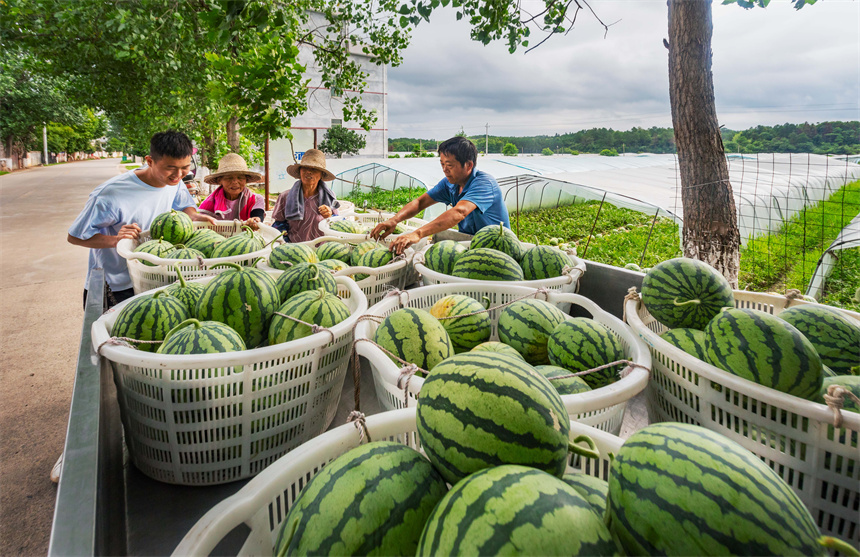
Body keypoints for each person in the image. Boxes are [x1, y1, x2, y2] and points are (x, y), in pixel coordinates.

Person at [67, 130, 216, 312]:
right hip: (117, 286)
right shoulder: (109, 194)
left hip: (154, 279)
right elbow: (75, 236)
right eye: (170, 167)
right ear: (150, 161)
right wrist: (116, 240)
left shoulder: (174, 183)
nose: (179, 175)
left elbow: (185, 205)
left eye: (185, 167)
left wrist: (194, 215)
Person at [371, 136, 510, 254]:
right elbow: (420, 203)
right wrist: (394, 220)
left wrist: (417, 234)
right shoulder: (450, 183)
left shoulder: (484, 183)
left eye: (449, 165)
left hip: (498, 249)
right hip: (471, 243)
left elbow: (459, 212)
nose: (444, 170)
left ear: (468, 165)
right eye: (442, 164)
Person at [271, 148, 340, 242]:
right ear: (300, 171)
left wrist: (329, 216)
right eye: (305, 168)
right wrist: (285, 240)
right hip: (294, 248)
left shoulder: (329, 197)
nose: (309, 172)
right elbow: (278, 225)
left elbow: (338, 224)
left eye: (314, 169)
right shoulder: (285, 197)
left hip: (321, 248)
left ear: (321, 175)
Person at [198, 153, 266, 229]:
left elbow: (257, 215)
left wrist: (255, 220)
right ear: (220, 180)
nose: (235, 182)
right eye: (229, 178)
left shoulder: (256, 199)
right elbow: (203, 225)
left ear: (246, 180)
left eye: (240, 177)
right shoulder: (210, 202)